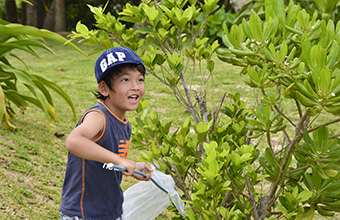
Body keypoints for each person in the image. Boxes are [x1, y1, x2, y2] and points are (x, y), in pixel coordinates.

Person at [59, 47, 153, 220]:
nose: (135, 87)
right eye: (125, 80)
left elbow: (107, 161)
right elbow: (73, 141)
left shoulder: (124, 123)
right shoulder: (98, 117)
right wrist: (120, 160)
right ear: (104, 88)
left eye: (140, 80)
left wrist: (132, 167)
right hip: (84, 214)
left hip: (110, 211)